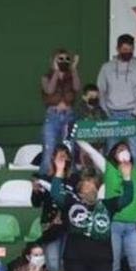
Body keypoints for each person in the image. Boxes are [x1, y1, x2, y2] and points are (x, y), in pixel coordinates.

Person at [50, 157, 133, 271]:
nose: (90, 189)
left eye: (93, 185)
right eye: (86, 186)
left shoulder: (107, 205)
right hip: (75, 261)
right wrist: (58, 171)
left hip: (101, 262)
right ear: (79, 192)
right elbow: (56, 194)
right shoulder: (71, 204)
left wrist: (127, 177)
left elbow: (127, 198)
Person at [76, 139, 136, 271]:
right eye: (119, 150)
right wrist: (79, 135)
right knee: (113, 268)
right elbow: (90, 150)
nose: (123, 151)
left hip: (133, 226)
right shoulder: (108, 168)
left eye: (125, 148)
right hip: (113, 225)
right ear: (113, 154)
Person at [97, 34, 136, 161]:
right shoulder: (107, 68)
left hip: (131, 115)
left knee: (135, 153)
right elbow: (101, 91)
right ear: (118, 49)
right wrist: (107, 111)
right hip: (112, 115)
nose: (127, 52)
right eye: (125, 49)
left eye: (130, 49)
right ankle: (111, 181)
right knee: (111, 152)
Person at [31, 144, 75, 271]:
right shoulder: (45, 178)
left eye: (65, 156)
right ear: (53, 159)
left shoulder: (73, 179)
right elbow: (36, 204)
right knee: (53, 265)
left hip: (68, 226)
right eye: (59, 156)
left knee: (67, 265)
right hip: (51, 228)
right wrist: (35, 192)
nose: (63, 159)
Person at [39, 48, 81, 176]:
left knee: (70, 150)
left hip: (69, 116)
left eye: (67, 59)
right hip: (52, 116)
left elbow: (77, 87)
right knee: (49, 150)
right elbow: (49, 90)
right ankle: (44, 180)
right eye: (60, 59)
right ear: (53, 60)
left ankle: (70, 180)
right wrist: (56, 71)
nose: (64, 61)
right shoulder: (46, 77)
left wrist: (74, 69)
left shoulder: (70, 76)